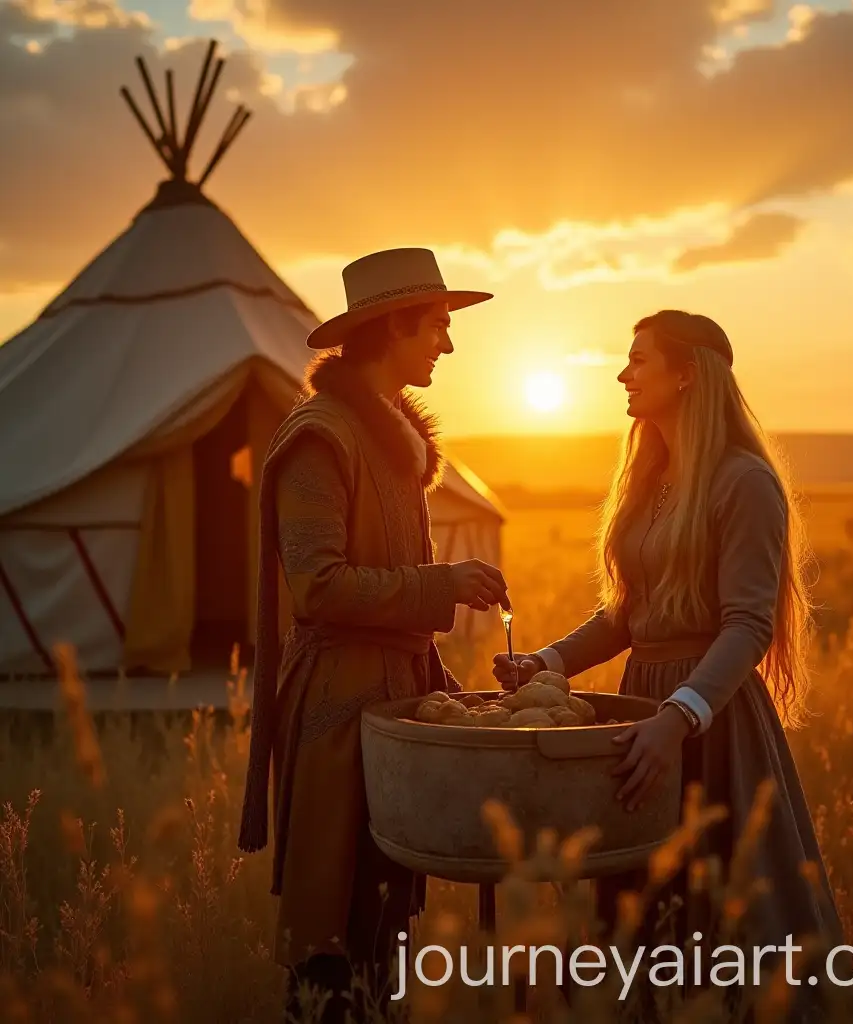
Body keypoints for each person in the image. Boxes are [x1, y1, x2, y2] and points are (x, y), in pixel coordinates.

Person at [493, 310, 843, 1018]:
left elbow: (746, 624)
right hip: (640, 711)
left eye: (639, 359)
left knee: (730, 914)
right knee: (641, 911)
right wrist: (547, 661)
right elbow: (627, 613)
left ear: (687, 373)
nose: (623, 373)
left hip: (709, 720)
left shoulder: (742, 482)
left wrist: (679, 717)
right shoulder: (650, 483)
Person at [238, 248, 509, 1022]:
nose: (447, 346)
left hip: (390, 701)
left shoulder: (391, 441)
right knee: (335, 933)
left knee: (385, 920)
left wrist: (455, 695)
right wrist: (442, 585)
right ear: (394, 326)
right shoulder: (322, 439)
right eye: (437, 327)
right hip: (335, 712)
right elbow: (316, 587)